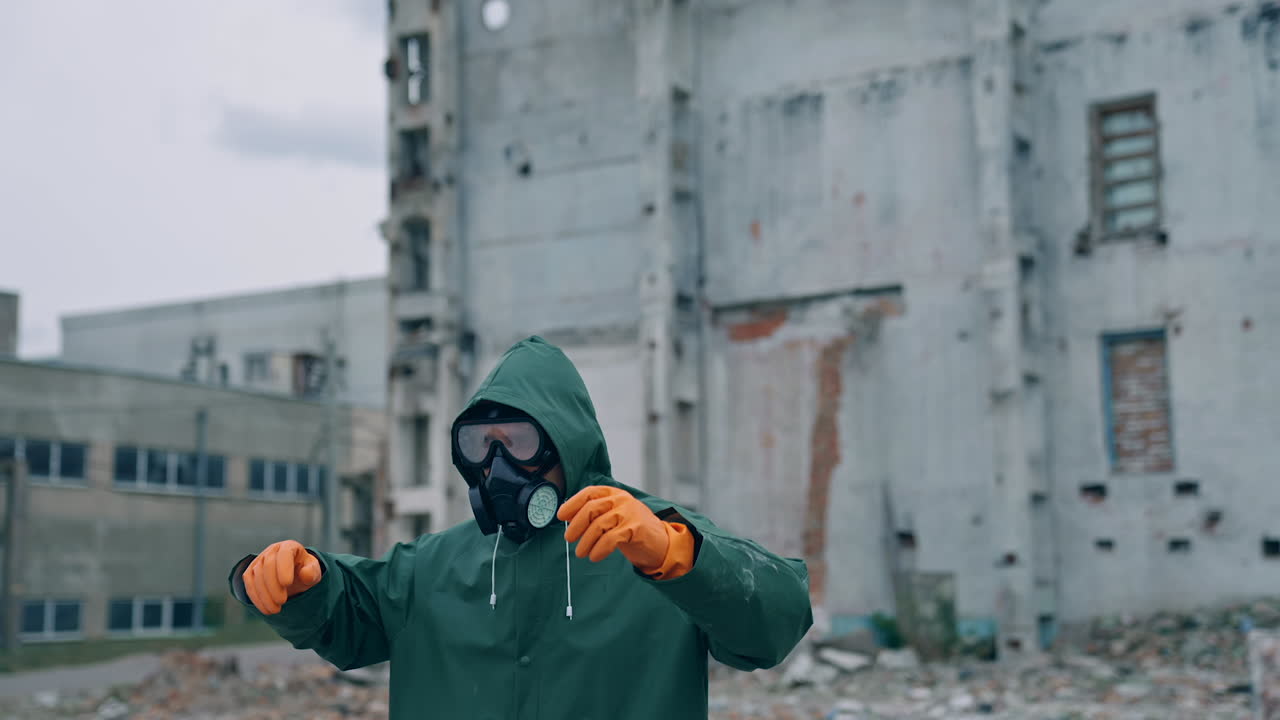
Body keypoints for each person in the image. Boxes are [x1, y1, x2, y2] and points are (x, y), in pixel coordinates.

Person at [228, 336, 812, 719]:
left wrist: (677, 555)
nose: (497, 465)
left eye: (519, 442)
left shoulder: (650, 544)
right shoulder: (432, 568)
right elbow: (348, 612)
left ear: (566, 443)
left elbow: (775, 620)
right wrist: (304, 584)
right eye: (480, 444)